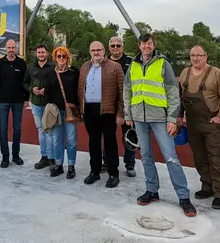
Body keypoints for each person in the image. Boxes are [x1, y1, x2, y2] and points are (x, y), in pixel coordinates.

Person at [124, 33, 197, 217]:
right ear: (139, 45)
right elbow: (127, 91)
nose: (146, 46)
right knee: (146, 156)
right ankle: (152, 190)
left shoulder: (163, 63)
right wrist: (128, 114)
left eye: (149, 43)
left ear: (153, 45)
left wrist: (172, 119)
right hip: (139, 117)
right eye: (143, 43)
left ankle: (183, 197)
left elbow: (173, 92)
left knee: (170, 156)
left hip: (160, 118)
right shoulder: (133, 65)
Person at [177, 45, 220, 209]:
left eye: (199, 55)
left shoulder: (216, 74)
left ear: (205, 57)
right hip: (192, 124)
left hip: (211, 124)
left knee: (217, 159)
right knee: (200, 158)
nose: (195, 58)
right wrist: (179, 115)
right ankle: (207, 186)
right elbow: (180, 98)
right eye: (192, 55)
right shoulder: (184, 73)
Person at [78, 41, 125, 188]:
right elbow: (80, 89)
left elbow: (122, 92)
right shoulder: (85, 67)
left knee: (110, 142)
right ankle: (95, 171)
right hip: (89, 110)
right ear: (90, 51)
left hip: (108, 110)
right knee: (93, 141)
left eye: (99, 50)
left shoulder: (115, 67)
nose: (96, 52)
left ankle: (113, 173)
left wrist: (121, 113)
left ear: (104, 50)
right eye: (93, 50)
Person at [40, 46, 79, 179]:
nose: (61, 58)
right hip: (56, 112)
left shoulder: (74, 72)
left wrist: (79, 107)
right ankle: (58, 165)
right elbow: (46, 92)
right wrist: (48, 108)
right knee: (57, 140)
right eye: (58, 56)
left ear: (68, 57)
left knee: (71, 140)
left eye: (64, 56)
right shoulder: (50, 73)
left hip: (70, 112)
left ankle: (71, 166)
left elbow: (79, 91)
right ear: (55, 58)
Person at [0, 39, 28, 168]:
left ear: (16, 49)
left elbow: (26, 82)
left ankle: (16, 155)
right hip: (3, 102)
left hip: (18, 101)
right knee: (3, 130)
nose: (11, 50)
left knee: (17, 129)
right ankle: (5, 157)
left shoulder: (22, 63)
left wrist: (26, 99)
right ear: (5, 49)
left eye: (13, 48)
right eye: (9, 48)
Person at [103, 36, 136, 177]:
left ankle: (130, 164)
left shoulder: (131, 62)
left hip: (127, 105)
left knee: (129, 136)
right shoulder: (104, 62)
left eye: (118, 45)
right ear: (109, 47)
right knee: (108, 135)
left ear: (122, 47)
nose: (115, 48)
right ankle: (107, 161)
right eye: (113, 46)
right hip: (108, 104)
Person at [23, 44, 55, 170]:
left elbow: (57, 83)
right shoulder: (31, 68)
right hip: (36, 104)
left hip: (49, 104)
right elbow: (24, 83)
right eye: (39, 52)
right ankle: (44, 157)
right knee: (41, 130)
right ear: (36, 54)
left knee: (50, 131)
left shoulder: (53, 67)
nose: (41, 54)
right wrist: (32, 89)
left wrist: (46, 90)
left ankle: (52, 158)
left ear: (47, 53)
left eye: (43, 52)